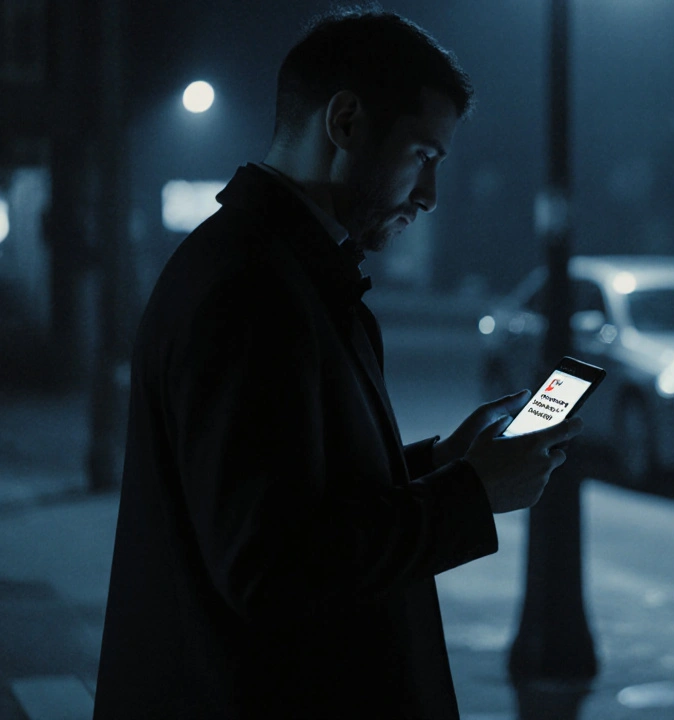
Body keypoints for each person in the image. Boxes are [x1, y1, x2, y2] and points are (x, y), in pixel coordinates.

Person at [93, 9, 582, 719]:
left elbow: (302, 491)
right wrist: (470, 495)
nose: (429, 196)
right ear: (346, 122)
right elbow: (270, 566)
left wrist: (443, 461)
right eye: (424, 156)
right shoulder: (251, 287)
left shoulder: (284, 270)